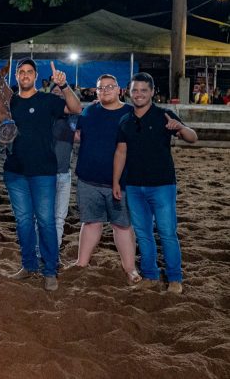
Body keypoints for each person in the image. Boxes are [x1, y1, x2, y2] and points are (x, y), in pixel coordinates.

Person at [113, 72, 197, 294]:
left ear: (151, 92)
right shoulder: (125, 120)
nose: (139, 94)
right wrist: (115, 182)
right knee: (143, 233)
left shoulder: (165, 116)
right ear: (129, 93)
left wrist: (179, 127)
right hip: (133, 186)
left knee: (167, 232)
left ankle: (174, 278)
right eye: (135, 90)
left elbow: (192, 137)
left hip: (162, 186)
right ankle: (150, 274)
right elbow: (121, 153)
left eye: (143, 90)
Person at [4, 59, 81, 291]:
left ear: (36, 76)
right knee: (24, 222)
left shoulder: (48, 101)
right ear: (16, 76)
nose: (25, 75)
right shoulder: (10, 102)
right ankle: (28, 265)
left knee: (46, 221)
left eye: (29, 72)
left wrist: (65, 85)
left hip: (44, 172)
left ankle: (50, 270)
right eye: (21, 72)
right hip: (15, 172)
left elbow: (76, 109)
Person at [71, 74, 140, 284]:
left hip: (120, 182)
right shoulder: (90, 110)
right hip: (88, 179)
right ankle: (81, 262)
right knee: (90, 222)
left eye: (110, 87)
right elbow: (78, 135)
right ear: (96, 91)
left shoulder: (130, 113)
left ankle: (130, 269)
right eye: (101, 88)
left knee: (122, 225)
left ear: (119, 90)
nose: (105, 90)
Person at [49, 84, 78, 247]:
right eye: (54, 91)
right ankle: (41, 252)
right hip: (43, 175)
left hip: (63, 174)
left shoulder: (73, 117)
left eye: (61, 92)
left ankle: (53, 252)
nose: (58, 95)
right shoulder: (43, 116)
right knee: (43, 217)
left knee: (59, 218)